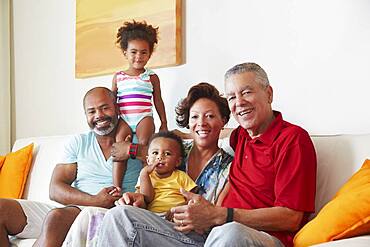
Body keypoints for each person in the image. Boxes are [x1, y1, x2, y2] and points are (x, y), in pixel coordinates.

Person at [96, 63, 317, 247]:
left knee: (230, 233)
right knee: (120, 216)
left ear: (269, 94)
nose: (239, 102)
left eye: (246, 92)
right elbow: (206, 134)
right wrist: (185, 133)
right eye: (232, 97)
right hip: (207, 234)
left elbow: (292, 217)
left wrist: (222, 215)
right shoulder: (241, 137)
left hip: (260, 236)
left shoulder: (293, 139)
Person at [62, 82, 233, 246]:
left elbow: (217, 218)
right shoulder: (175, 149)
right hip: (156, 225)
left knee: (121, 216)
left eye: (210, 116)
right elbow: (150, 168)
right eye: (195, 116)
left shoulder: (228, 167)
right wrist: (139, 199)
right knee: (96, 215)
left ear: (223, 120)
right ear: (188, 122)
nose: (201, 123)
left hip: (193, 235)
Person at [0, 87, 142, 247]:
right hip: (73, 210)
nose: (99, 116)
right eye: (92, 111)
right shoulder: (79, 142)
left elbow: (166, 154)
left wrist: (132, 149)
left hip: (109, 214)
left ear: (116, 108)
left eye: (104, 108)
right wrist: (95, 200)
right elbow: (55, 189)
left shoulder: (137, 139)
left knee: (57, 218)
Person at [112, 20, 168, 191]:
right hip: (125, 119)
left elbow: (158, 100)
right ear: (125, 53)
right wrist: (113, 124)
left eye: (144, 53)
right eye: (134, 52)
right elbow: (112, 101)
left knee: (145, 145)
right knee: (119, 144)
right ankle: (116, 186)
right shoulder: (119, 77)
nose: (138, 57)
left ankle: (146, 185)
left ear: (149, 54)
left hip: (144, 116)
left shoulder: (151, 77)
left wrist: (163, 122)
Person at [138, 131, 197, 215]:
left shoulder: (181, 176)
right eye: (155, 153)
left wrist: (178, 209)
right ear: (148, 160)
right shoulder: (145, 176)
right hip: (152, 216)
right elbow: (147, 198)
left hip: (176, 216)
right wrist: (144, 173)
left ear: (177, 162)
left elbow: (192, 198)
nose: (160, 157)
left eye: (167, 153)